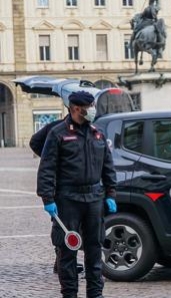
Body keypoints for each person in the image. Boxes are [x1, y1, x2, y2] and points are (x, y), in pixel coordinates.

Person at [37, 91, 117, 298]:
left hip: (94, 199)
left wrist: (111, 193)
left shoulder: (97, 133)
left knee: (94, 250)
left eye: (92, 105)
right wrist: (48, 199)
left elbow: (108, 167)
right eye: (87, 106)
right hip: (68, 200)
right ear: (74, 109)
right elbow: (47, 168)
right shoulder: (58, 134)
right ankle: (70, 294)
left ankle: (95, 294)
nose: (91, 109)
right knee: (67, 251)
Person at [30, 116, 85, 275]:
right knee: (63, 226)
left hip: (75, 187)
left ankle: (61, 262)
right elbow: (35, 142)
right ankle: (62, 263)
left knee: (68, 226)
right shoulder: (56, 128)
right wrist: (51, 156)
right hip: (61, 187)